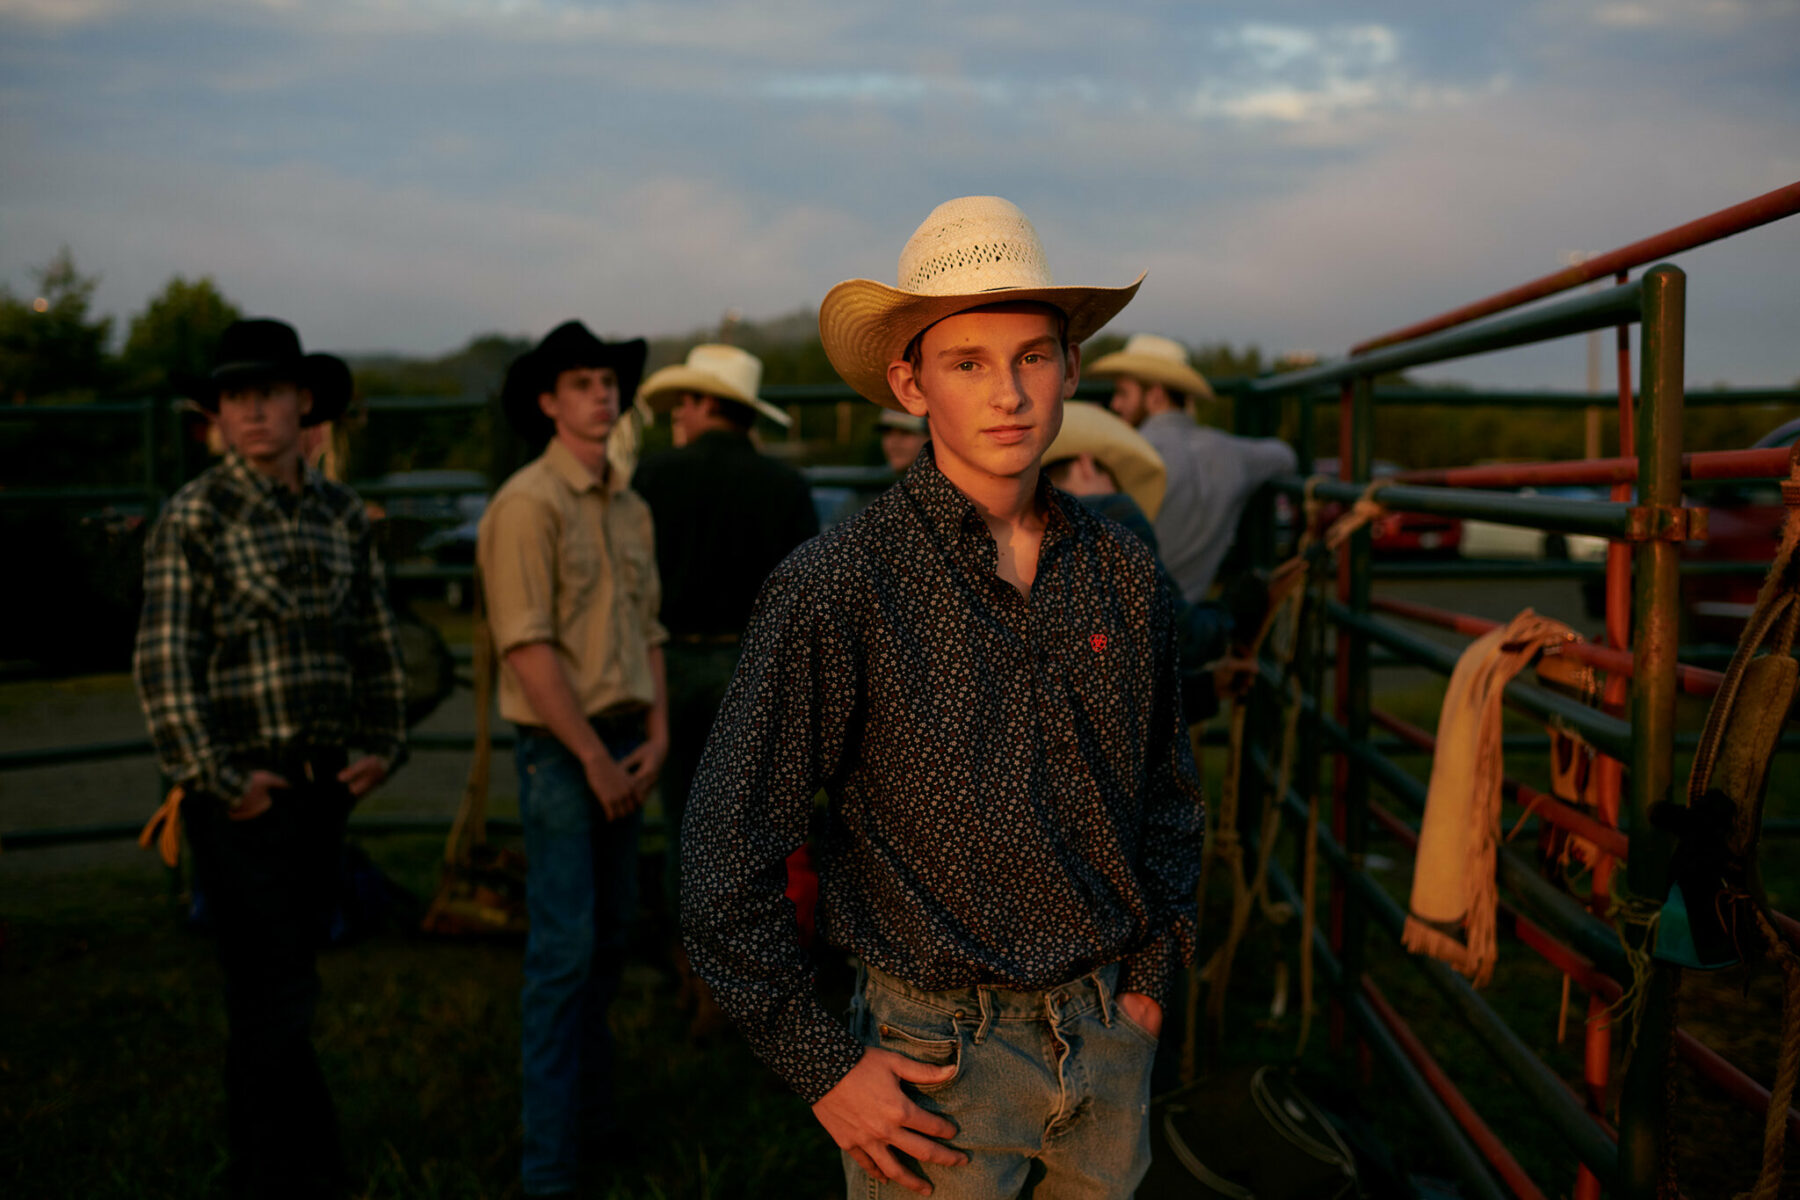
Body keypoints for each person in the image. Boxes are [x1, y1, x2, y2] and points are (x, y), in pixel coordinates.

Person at [683, 196, 1205, 1198]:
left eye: (1034, 356)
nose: (1008, 392)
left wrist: (1146, 991)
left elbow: (1170, 798)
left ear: (1072, 369)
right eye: (967, 362)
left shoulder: (1128, 577)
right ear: (909, 381)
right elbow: (721, 850)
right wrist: (823, 1068)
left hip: (1105, 1041)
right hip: (933, 1059)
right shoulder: (838, 586)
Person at [133, 317, 407, 1199]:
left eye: (269, 394)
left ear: (304, 405)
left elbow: (374, 636)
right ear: (217, 413)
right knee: (270, 988)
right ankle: (287, 1170)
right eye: (234, 397)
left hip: (323, 781)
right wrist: (217, 778)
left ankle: (279, 1161)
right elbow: (167, 662)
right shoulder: (194, 517)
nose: (251, 411)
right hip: (243, 784)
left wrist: (381, 743)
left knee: (287, 982)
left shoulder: (337, 513)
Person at [476, 320, 669, 1198]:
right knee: (565, 951)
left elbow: (647, 630)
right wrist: (593, 756)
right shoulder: (527, 504)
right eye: (580, 382)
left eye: (606, 380)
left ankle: (592, 1127)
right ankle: (549, 1168)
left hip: (623, 744)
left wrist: (658, 734)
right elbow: (526, 648)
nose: (600, 393)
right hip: (566, 753)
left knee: (607, 945)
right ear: (548, 402)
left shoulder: (631, 505)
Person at [630, 344, 818, 990]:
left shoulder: (652, 478)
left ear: (707, 403)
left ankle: (697, 965)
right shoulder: (786, 486)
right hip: (750, 665)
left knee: (683, 819)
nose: (677, 412)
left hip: (669, 661)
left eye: (684, 400)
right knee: (750, 827)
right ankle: (754, 962)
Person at [1093, 333, 1296, 604]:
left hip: (1125, 619)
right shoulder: (1231, 453)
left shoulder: (1121, 457)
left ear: (1154, 395)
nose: (1115, 404)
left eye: (1123, 393)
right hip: (1188, 622)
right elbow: (1285, 456)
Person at [878, 408, 930, 473]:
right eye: (887, 433)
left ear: (929, 437)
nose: (894, 441)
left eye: (905, 432)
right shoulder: (872, 479)